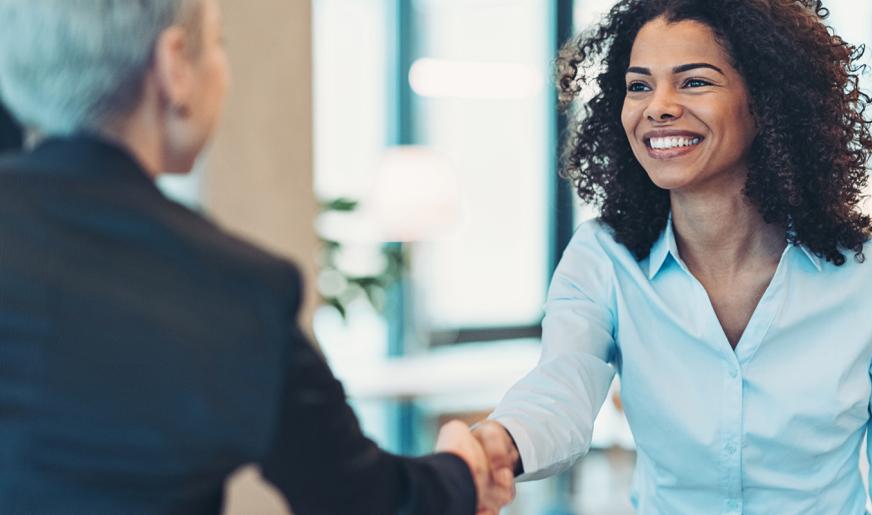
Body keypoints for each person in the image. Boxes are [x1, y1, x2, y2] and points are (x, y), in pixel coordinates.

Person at [0, 1, 513, 514]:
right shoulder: (232, 290)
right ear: (175, 66)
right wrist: (462, 474)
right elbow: (364, 500)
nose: (223, 66)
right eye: (218, 43)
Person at [472, 0, 872, 513]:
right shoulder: (603, 257)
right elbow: (561, 387)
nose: (659, 106)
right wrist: (499, 443)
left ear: (765, 101)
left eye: (694, 81)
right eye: (639, 85)